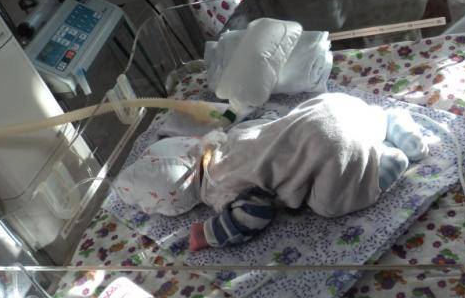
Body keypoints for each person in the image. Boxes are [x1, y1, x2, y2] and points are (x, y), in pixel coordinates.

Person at [115, 93, 428, 250]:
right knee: (297, 123)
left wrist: (208, 234)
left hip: (334, 147)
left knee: (328, 205)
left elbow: (255, 214)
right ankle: (386, 121)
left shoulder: (217, 188)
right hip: (331, 107)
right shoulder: (229, 137)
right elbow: (267, 118)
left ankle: (383, 165)